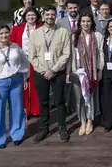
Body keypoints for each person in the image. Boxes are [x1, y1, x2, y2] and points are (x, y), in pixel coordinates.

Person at [27, 7, 72, 143]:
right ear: (43, 16)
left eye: (53, 14)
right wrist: (42, 70)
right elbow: (31, 55)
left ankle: (62, 128)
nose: (50, 17)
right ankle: (43, 128)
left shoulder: (63, 32)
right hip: (40, 73)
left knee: (59, 101)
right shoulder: (35, 34)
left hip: (57, 72)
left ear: (56, 16)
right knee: (43, 102)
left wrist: (53, 69)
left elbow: (66, 53)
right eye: (47, 14)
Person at [0, 24, 29, 148]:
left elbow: (24, 62)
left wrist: (24, 77)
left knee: (17, 108)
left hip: (16, 81)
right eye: (1, 33)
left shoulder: (15, 47)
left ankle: (17, 134)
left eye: (6, 33)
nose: (4, 35)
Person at [66, 14, 104, 136]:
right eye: (83, 21)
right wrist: (69, 72)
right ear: (80, 22)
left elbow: (101, 53)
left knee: (91, 97)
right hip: (78, 71)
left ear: (92, 22)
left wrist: (99, 69)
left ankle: (90, 120)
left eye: (88, 21)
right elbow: (70, 55)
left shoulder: (97, 36)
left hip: (92, 72)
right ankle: (82, 120)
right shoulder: (74, 36)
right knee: (80, 98)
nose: (86, 24)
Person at [9, 8, 42, 118]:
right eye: (28, 15)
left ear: (36, 16)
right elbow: (12, 43)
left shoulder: (41, 28)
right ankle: (25, 110)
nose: (31, 17)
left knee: (35, 85)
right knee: (23, 85)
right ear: (25, 17)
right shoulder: (18, 28)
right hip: (21, 60)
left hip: (36, 60)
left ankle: (35, 110)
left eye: (33, 15)